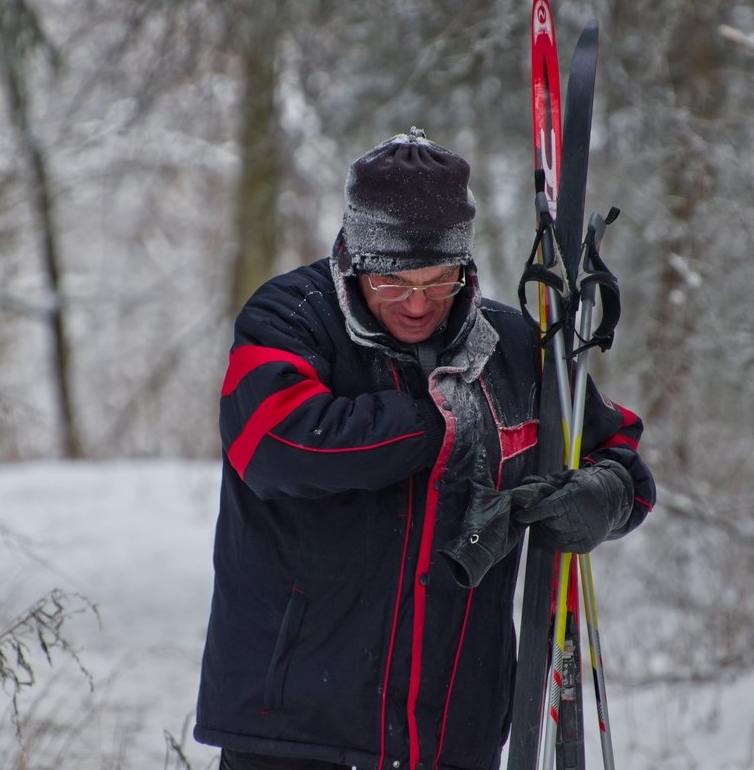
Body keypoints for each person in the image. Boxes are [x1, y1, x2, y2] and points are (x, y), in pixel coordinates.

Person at [195, 128, 656, 770]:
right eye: (392, 283)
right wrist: (444, 422)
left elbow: (615, 447)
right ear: (356, 261)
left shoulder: (516, 346)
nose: (416, 303)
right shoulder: (289, 317)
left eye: (438, 280)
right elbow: (275, 440)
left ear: (463, 265)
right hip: (298, 728)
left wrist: (606, 493)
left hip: (453, 733)